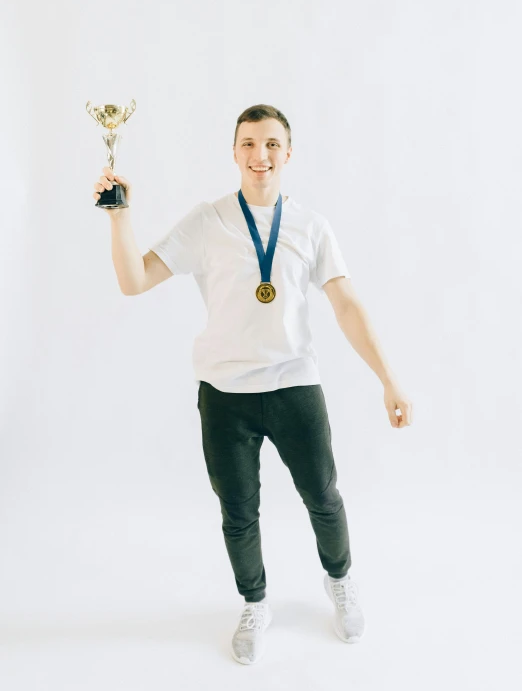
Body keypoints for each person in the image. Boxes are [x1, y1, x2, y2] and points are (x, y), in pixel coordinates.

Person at [93, 103, 413, 665]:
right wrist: (120, 215)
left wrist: (388, 378)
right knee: (238, 512)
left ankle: (340, 581)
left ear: (288, 153)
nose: (258, 155)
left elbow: (347, 304)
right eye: (247, 144)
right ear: (234, 152)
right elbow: (134, 280)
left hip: (295, 388)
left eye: (270, 144)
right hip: (224, 396)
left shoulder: (310, 225)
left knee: (324, 498)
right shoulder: (208, 220)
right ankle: (254, 601)